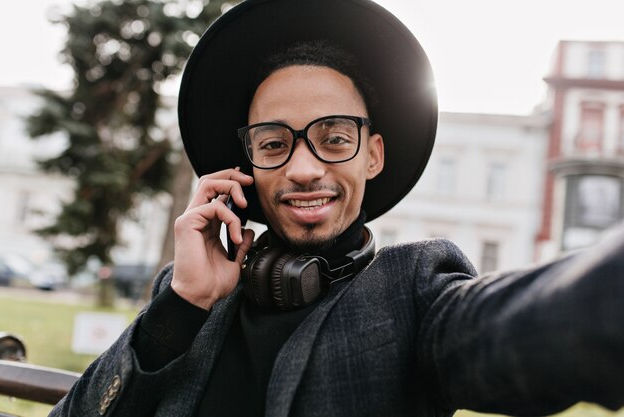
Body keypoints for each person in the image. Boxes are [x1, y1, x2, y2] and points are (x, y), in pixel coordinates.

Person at [50, 0, 624, 416]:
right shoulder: (188, 298)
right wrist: (181, 307)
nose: (303, 168)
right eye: (275, 143)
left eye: (333, 136)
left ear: (372, 155)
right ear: (246, 164)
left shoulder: (414, 290)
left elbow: (515, 330)